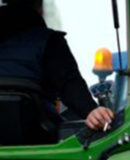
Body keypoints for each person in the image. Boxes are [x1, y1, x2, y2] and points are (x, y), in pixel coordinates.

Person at [0, 0, 113, 133]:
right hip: (38, 136)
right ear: (39, 8)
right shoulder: (49, 41)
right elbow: (70, 84)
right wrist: (91, 111)